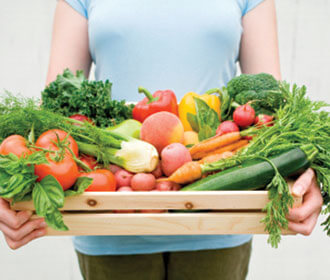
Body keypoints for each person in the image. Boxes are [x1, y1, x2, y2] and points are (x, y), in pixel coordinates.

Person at [0, 0, 323, 279]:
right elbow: (54, 108)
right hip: (110, 218)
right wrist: (9, 184)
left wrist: (311, 172)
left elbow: (275, 108)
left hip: (218, 216)